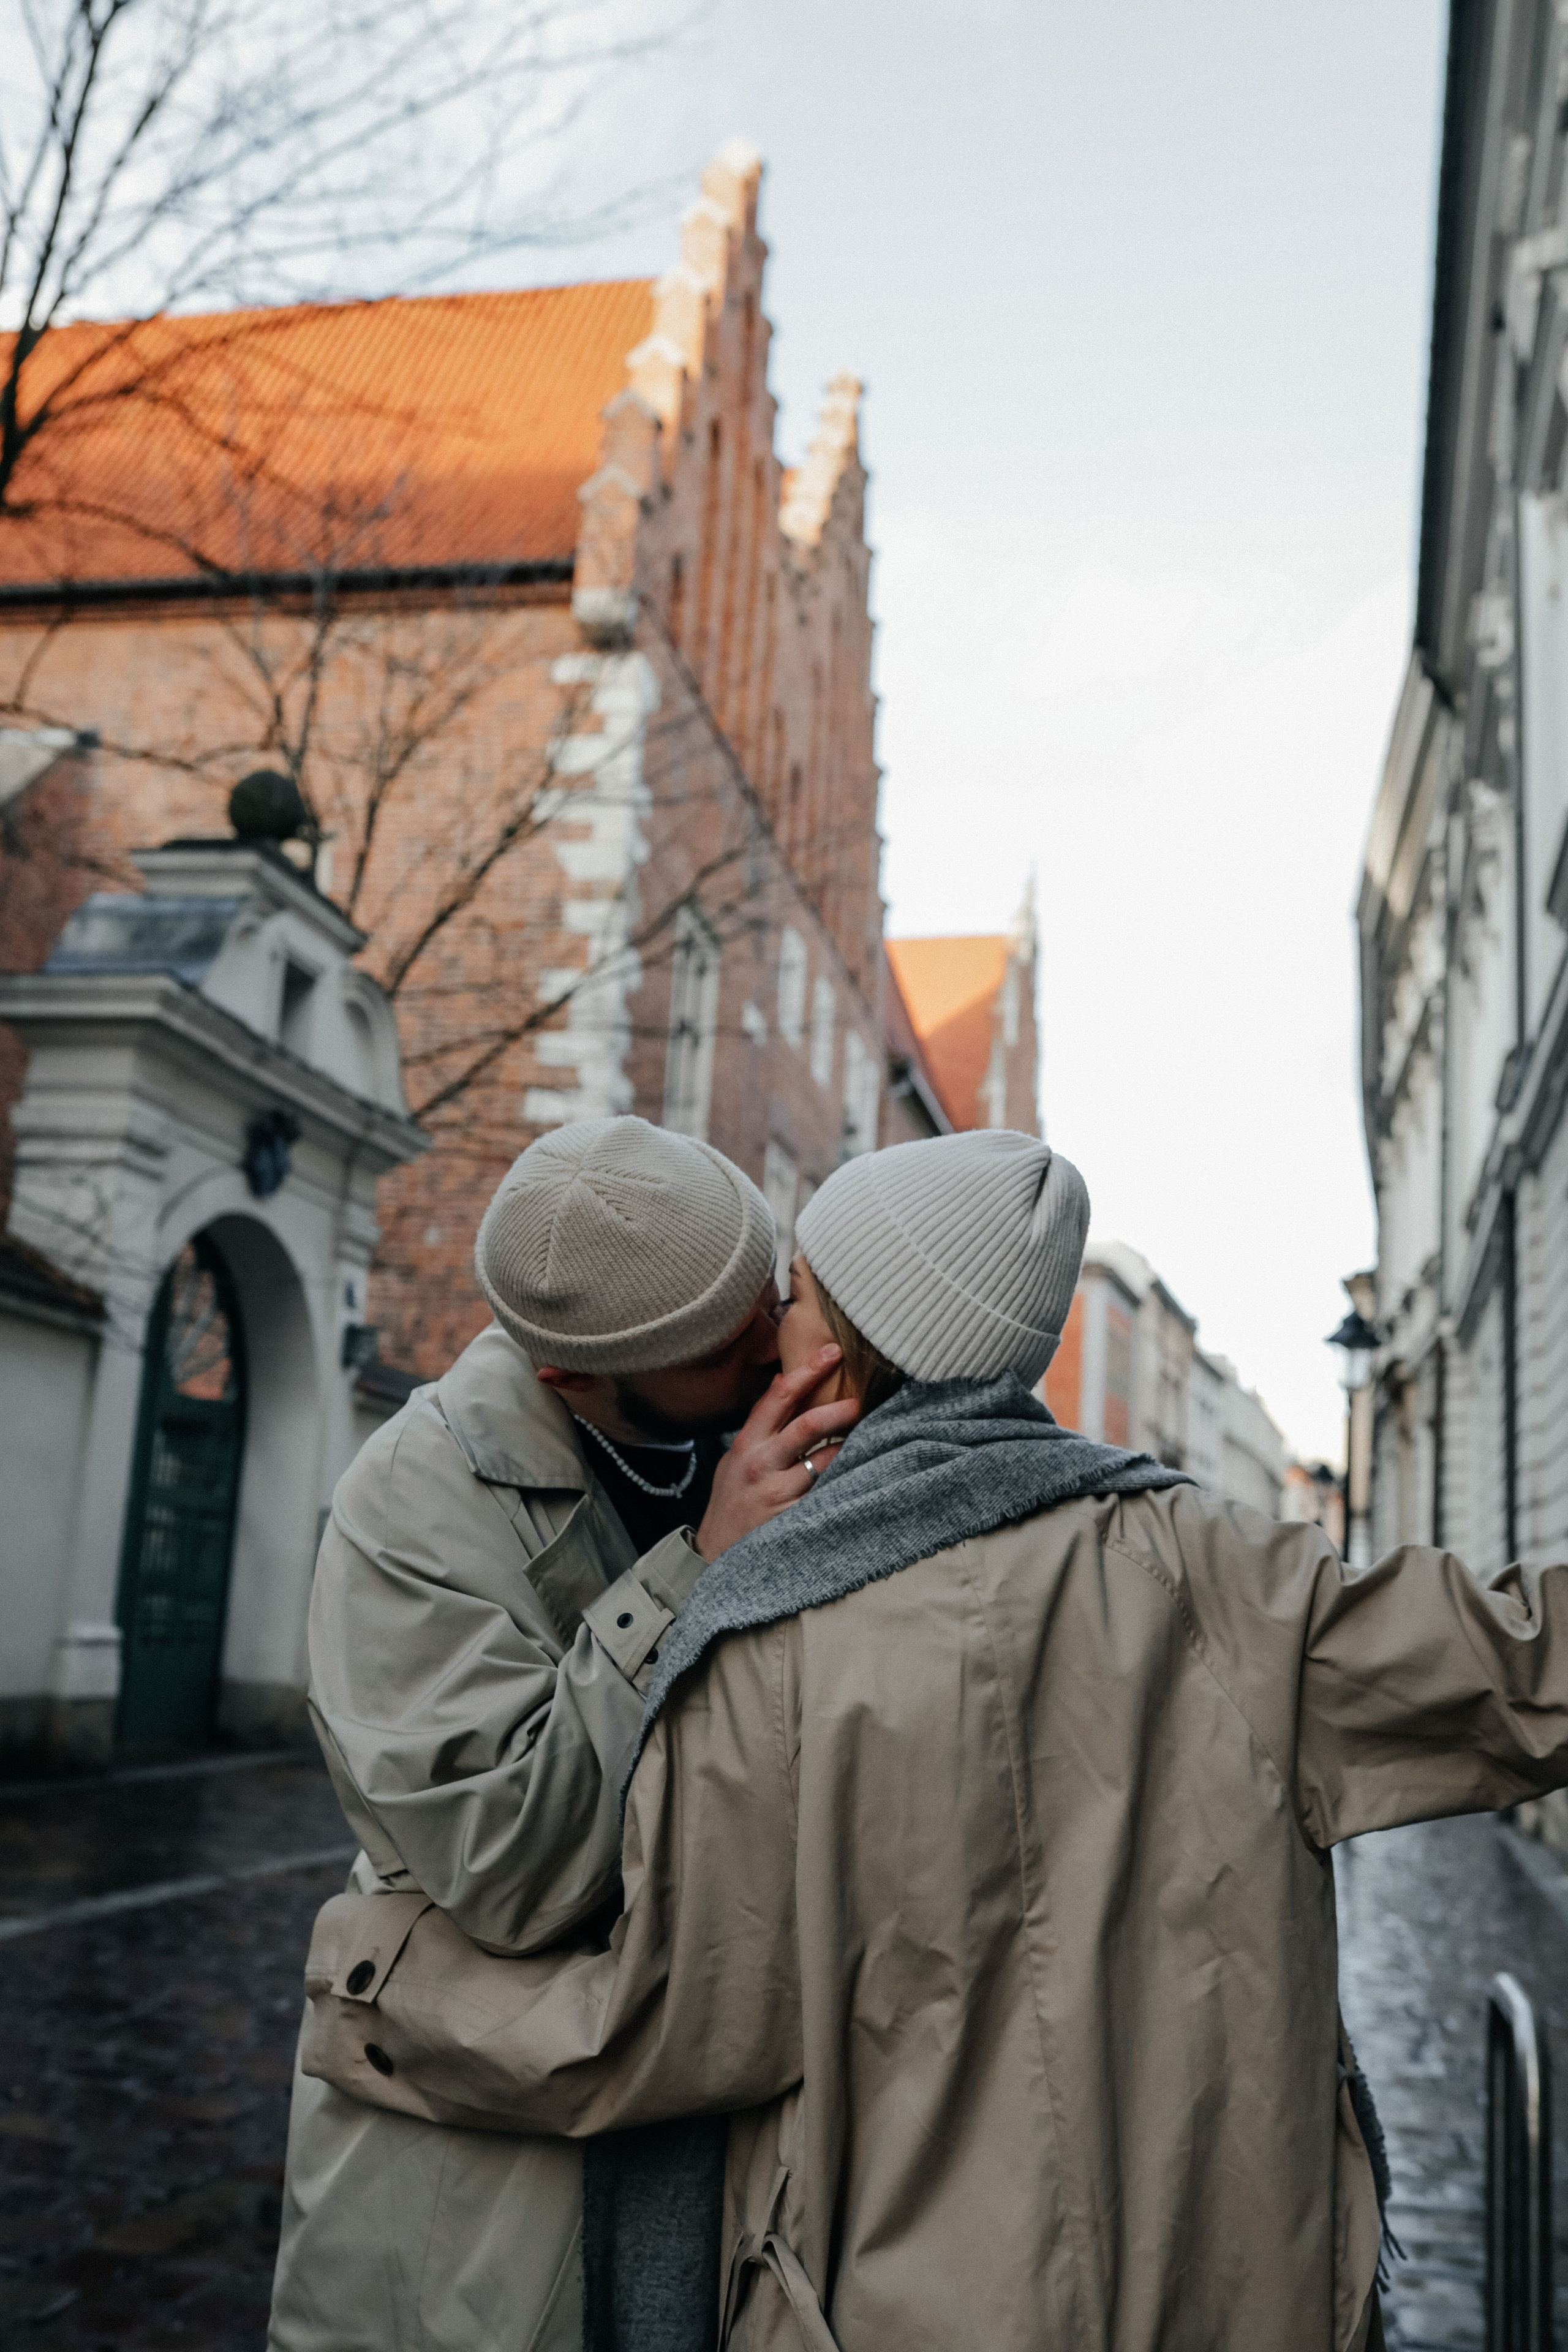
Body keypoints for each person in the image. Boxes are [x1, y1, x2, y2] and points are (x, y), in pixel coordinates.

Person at [297, 1126, 1568, 2352]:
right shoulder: (1213, 1563)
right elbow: (1512, 1667)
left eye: (784, 1291)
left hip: (886, 2287)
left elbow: (663, 2022)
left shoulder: (774, 1631)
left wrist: (384, 1985)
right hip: (1212, 2281)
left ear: (845, 1359)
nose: (758, 1339)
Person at [268, 1115, 858, 2352]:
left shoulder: (760, 1414)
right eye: (725, 1342)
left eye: (770, 1291)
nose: (774, 1344)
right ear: (570, 1379)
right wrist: (698, 1568)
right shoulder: (405, 1505)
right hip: (491, 2180)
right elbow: (511, 1868)